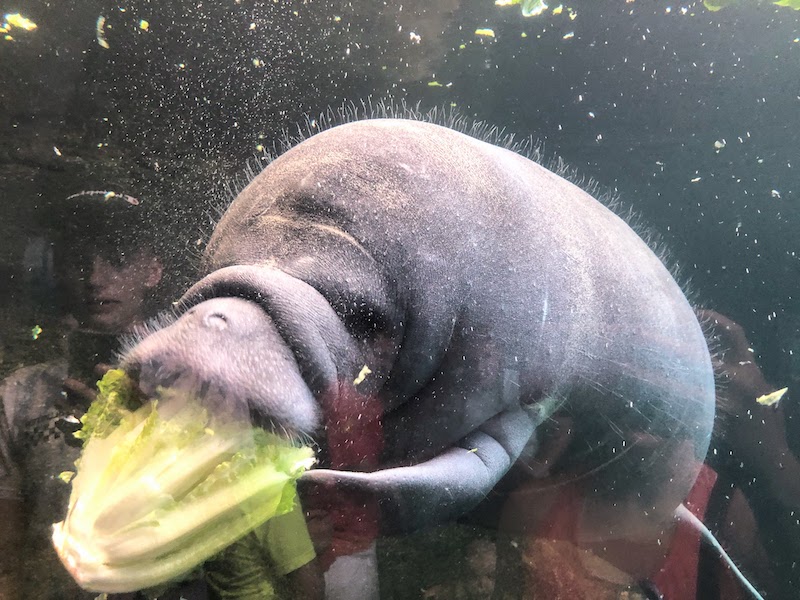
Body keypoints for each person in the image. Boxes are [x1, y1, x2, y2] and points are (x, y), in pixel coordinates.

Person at [0, 191, 170, 599]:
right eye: (79, 261)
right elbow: (6, 547)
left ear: (153, 270)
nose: (95, 278)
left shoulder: (189, 385)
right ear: (59, 271)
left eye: (117, 258)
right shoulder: (21, 393)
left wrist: (144, 430)